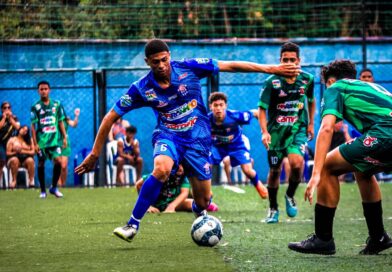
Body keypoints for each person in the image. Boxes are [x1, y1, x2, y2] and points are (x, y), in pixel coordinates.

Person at [75, 38, 299, 243]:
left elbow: (230, 65)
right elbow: (110, 117)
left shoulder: (189, 67)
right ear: (147, 62)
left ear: (169, 56)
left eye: (164, 60)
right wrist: (95, 153)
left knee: (203, 201)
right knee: (161, 169)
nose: (161, 65)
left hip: (198, 140)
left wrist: (272, 68)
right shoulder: (141, 88)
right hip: (168, 135)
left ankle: (199, 212)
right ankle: (132, 224)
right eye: (155, 62)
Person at [288, 59, 392, 255]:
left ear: (330, 81)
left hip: (385, 134)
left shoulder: (335, 87)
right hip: (385, 133)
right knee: (363, 170)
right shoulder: (372, 87)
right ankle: (378, 237)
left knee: (327, 165)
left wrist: (316, 173)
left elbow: (326, 128)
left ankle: (323, 239)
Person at [258, 42, 316, 223]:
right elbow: (261, 109)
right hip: (275, 133)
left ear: (299, 61)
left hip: (297, 129)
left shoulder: (308, 79)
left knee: (297, 163)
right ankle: (273, 208)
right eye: (285, 60)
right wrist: (264, 132)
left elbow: (311, 100)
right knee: (275, 170)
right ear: (280, 61)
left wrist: (311, 124)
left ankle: (290, 195)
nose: (289, 63)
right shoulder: (271, 82)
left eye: (293, 60)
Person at [208, 92, 268, 199]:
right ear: (210, 106)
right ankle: (207, 194)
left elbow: (256, 112)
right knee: (206, 166)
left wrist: (265, 131)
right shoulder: (206, 120)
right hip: (218, 146)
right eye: (215, 105)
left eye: (221, 105)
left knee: (247, 170)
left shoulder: (235, 116)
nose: (218, 108)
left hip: (237, 146)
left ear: (225, 106)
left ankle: (258, 184)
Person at [31, 81, 67, 199]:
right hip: (41, 142)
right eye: (41, 89)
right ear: (38, 91)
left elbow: (61, 121)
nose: (43, 91)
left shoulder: (57, 104)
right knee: (41, 162)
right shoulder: (35, 107)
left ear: (49, 90)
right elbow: (33, 126)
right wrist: (35, 144)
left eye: (45, 89)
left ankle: (53, 187)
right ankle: (42, 190)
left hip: (54, 141)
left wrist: (64, 137)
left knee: (59, 161)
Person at [136, 165, 218, 213]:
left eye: (183, 165)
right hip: (156, 204)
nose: (181, 168)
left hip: (172, 201)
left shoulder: (183, 177)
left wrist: (172, 206)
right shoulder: (162, 173)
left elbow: (184, 193)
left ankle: (206, 204)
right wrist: (147, 205)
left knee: (191, 203)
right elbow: (139, 184)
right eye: (178, 165)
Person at [58, 107, 80, 187]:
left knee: (63, 166)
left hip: (65, 144)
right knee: (57, 165)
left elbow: (74, 124)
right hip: (55, 144)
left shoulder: (65, 120)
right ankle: (58, 185)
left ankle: (63, 184)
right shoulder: (53, 120)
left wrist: (76, 116)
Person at [0, 102, 20, 184]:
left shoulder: (15, 118)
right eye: (5, 108)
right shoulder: (1, 118)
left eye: (8, 107)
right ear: (2, 110)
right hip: (1, 144)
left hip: (11, 145)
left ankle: (13, 181)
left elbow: (17, 127)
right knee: (1, 162)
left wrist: (11, 118)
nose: (7, 109)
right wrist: (4, 118)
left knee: (15, 160)